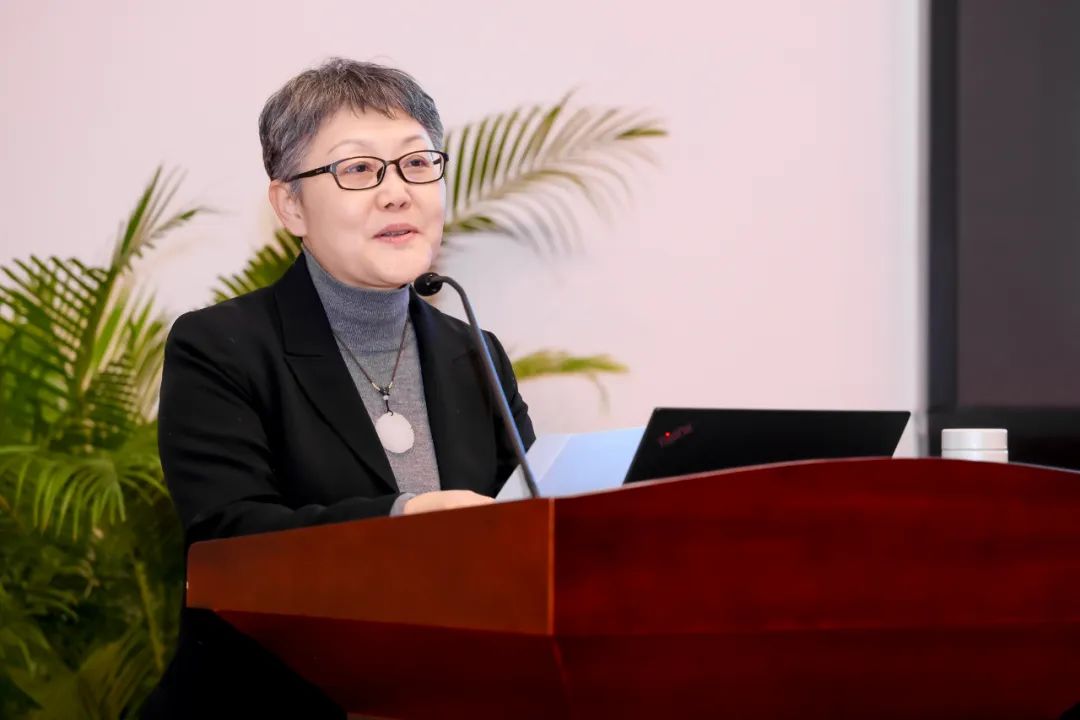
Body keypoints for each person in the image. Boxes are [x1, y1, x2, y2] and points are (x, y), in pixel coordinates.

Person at [142, 57, 535, 718]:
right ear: (291, 205)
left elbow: (526, 530)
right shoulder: (221, 346)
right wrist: (403, 520)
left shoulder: (474, 352)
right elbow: (229, 542)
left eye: (417, 163)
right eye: (357, 169)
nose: (396, 192)